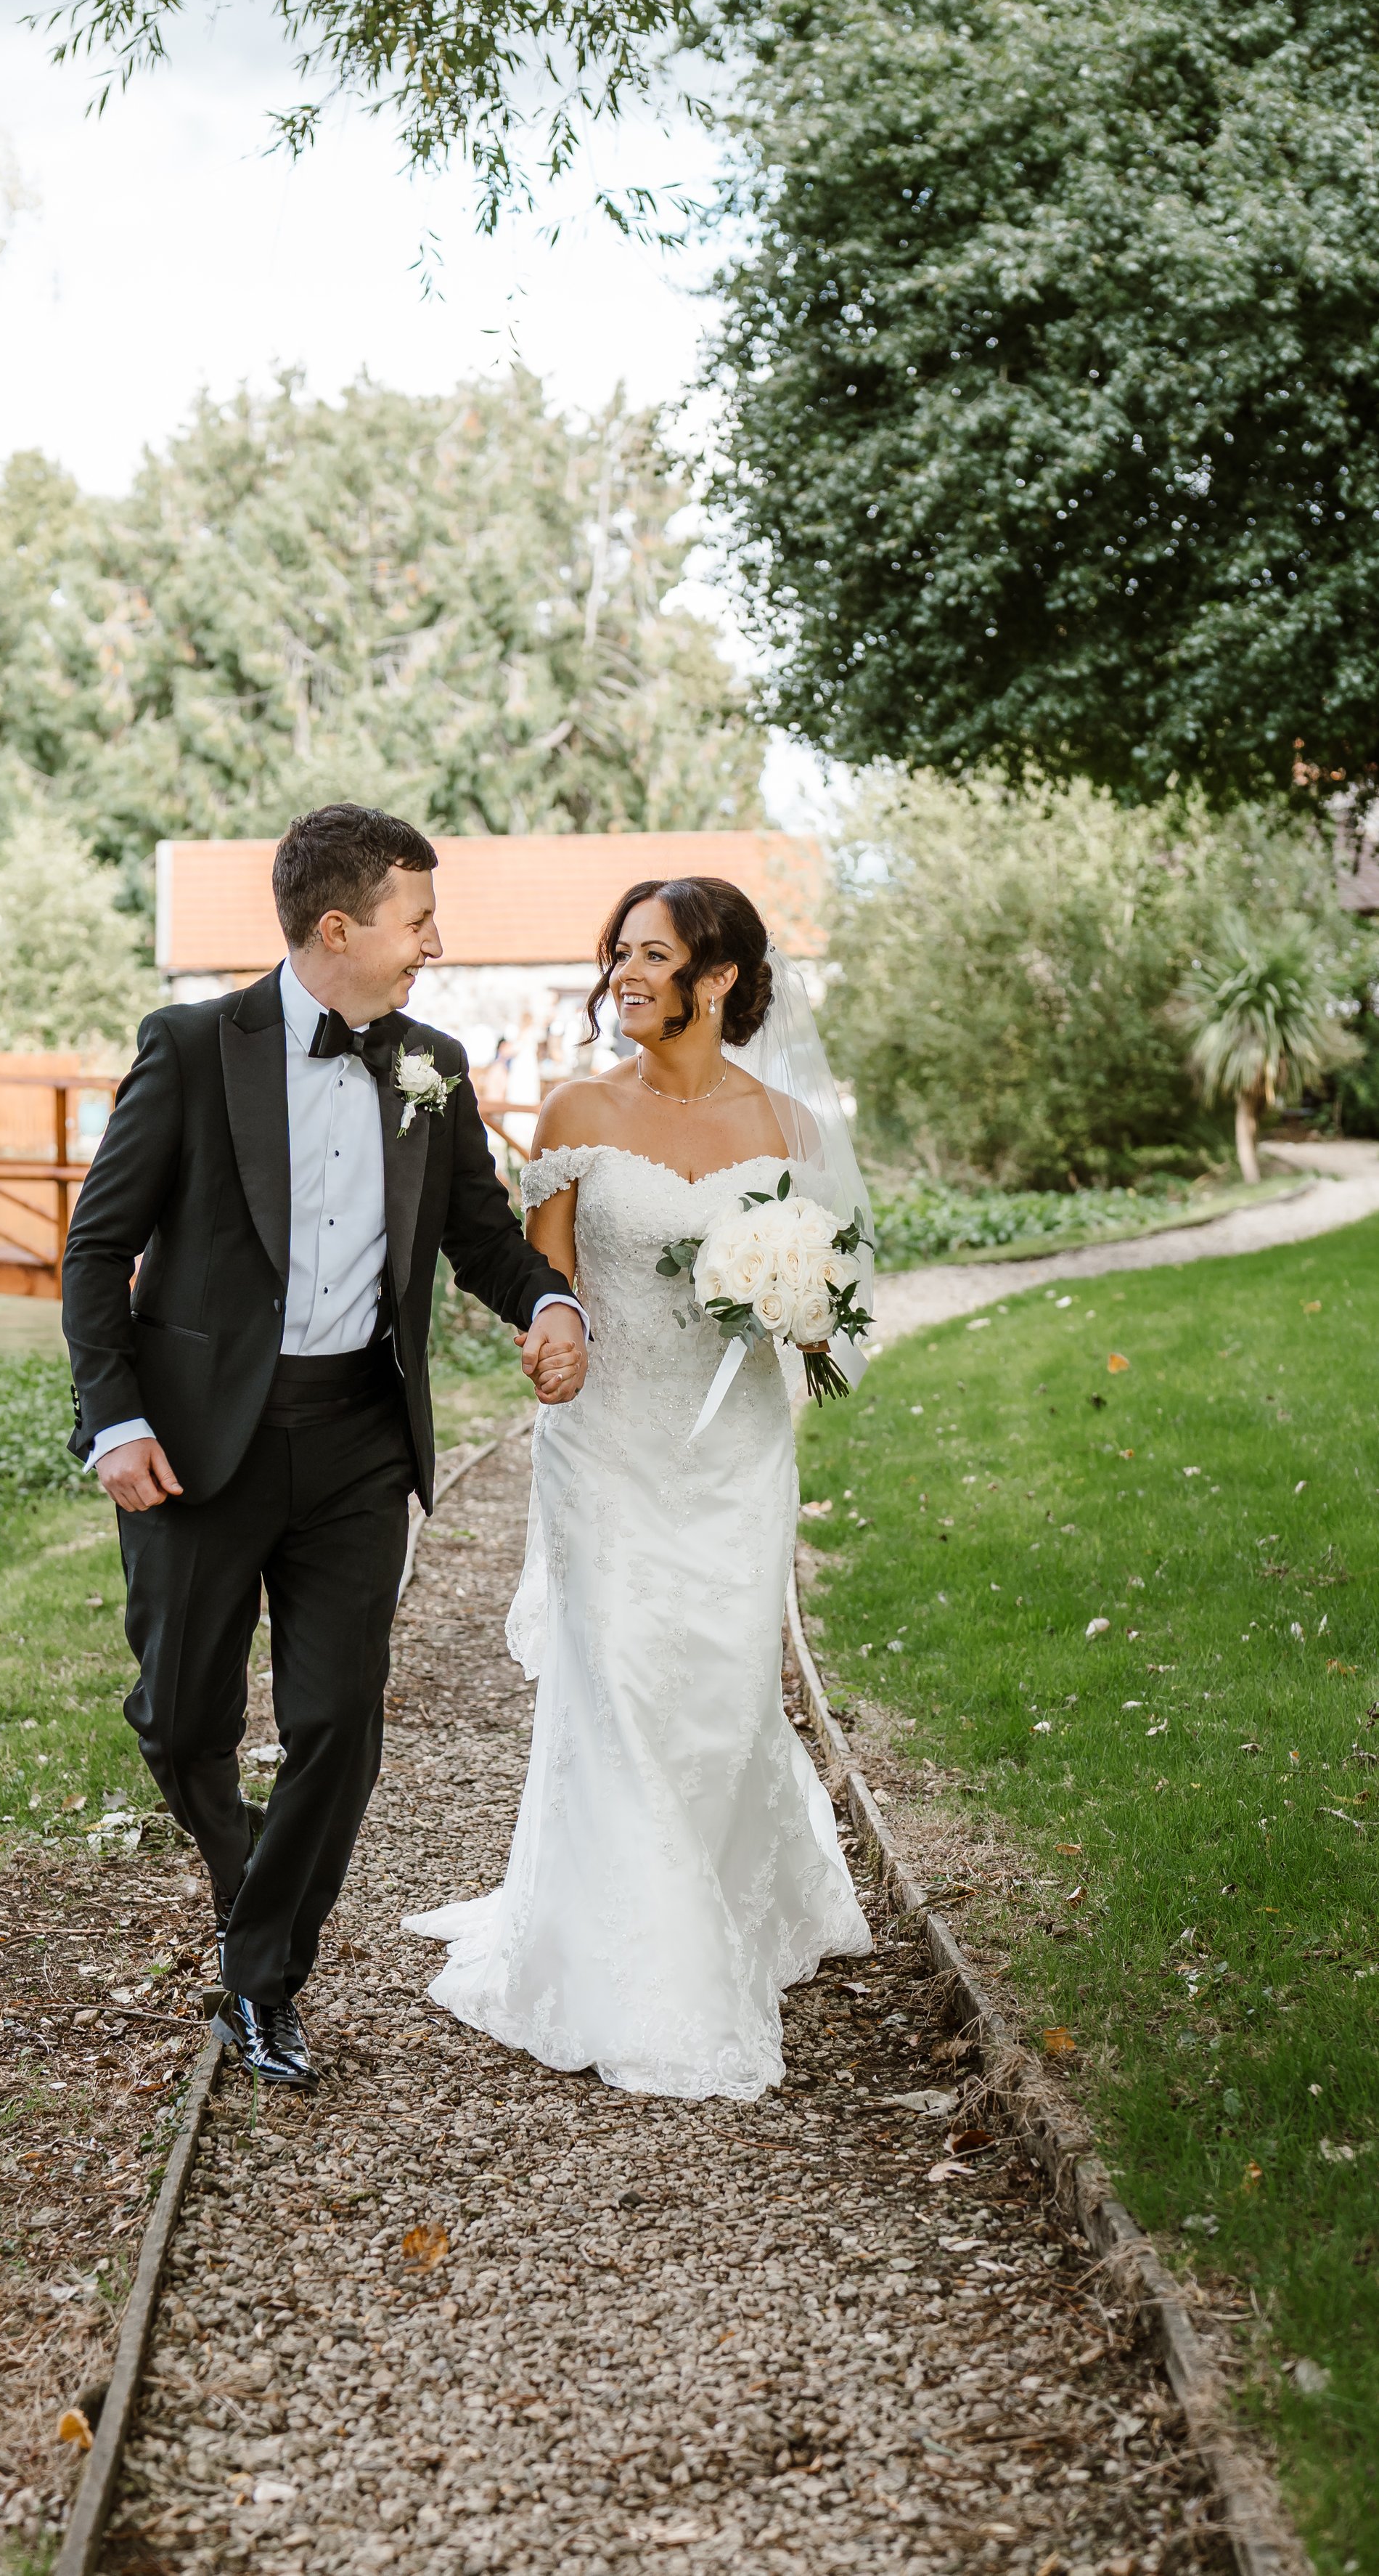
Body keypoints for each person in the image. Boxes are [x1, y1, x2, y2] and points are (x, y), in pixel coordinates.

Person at [60, 805, 589, 2091]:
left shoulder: (435, 1066)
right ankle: (255, 1883)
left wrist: (553, 1303)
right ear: (338, 926)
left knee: (340, 1719)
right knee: (181, 1722)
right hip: (193, 1444)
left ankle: (262, 1978)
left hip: (357, 1437)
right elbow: (94, 1248)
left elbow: (479, 1237)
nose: (436, 946)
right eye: (419, 921)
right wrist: (115, 1419)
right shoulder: (192, 1048)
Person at [405, 876, 873, 2100]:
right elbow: (545, 1280)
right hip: (605, 1441)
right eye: (617, 952)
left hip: (732, 1455)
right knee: (614, 1675)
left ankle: (723, 1900)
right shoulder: (576, 1108)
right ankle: (657, 1974)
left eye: (651, 955)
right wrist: (548, 1338)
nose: (622, 973)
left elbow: (828, 1314)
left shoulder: (786, 1129)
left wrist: (794, 1302)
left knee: (716, 1687)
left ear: (715, 979)